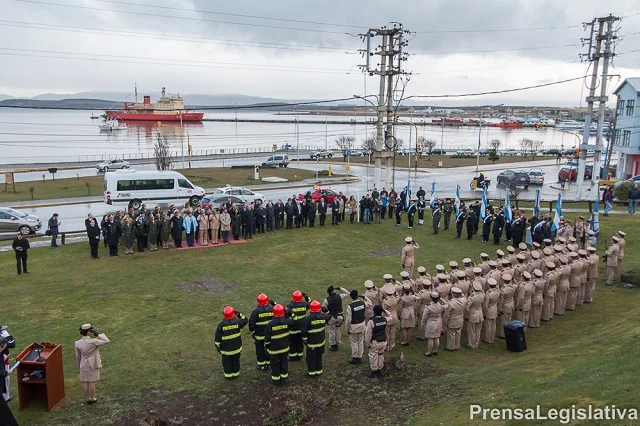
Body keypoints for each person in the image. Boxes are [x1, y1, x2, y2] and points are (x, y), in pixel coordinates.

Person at [75, 324, 110, 405]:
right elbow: (107, 340)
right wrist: (98, 334)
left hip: (83, 363)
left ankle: (87, 398)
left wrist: (80, 364)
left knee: (85, 382)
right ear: (89, 332)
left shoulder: (77, 343)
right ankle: (92, 398)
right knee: (91, 382)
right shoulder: (94, 341)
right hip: (93, 363)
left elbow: (78, 356)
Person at [264, 304, 295, 386]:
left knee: (274, 364)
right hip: (284, 347)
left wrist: (266, 346)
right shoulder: (287, 321)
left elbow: (267, 338)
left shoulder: (270, 324)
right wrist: (290, 313)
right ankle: (284, 378)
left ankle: (275, 380)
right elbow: (294, 320)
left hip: (273, 349)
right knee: (284, 362)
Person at [214, 306, 248, 380]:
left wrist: (217, 346)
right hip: (236, 348)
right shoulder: (237, 322)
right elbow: (245, 320)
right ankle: (236, 374)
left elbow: (217, 337)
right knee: (236, 361)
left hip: (226, 350)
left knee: (227, 363)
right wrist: (239, 314)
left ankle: (228, 376)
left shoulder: (221, 325)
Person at [301, 300, 332, 377]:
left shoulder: (307, 319)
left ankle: (311, 373)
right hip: (321, 342)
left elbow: (304, 332)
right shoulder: (323, 317)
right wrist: (326, 311)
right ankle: (319, 371)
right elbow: (329, 316)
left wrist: (305, 340)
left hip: (312, 343)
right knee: (319, 356)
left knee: (311, 358)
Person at [249, 293, 274, 371]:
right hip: (270, 335)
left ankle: (261, 365)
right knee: (269, 349)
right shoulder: (272, 309)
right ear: (267, 301)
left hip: (259, 336)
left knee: (260, 350)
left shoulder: (255, 312)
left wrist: (253, 332)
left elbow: (251, 324)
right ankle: (269, 363)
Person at [365, 305, 391, 378]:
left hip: (375, 342)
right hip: (383, 342)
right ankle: (380, 368)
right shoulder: (385, 319)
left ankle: (374, 371)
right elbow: (390, 315)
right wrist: (385, 311)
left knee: (373, 356)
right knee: (380, 355)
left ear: (373, 312)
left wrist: (367, 343)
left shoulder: (371, 322)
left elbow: (368, 334)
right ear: (381, 311)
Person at [345, 290, 370, 364]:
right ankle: (360, 356)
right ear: (357, 295)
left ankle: (355, 357)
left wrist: (347, 329)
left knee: (354, 342)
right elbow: (370, 303)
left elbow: (348, 320)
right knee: (360, 341)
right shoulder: (363, 303)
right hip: (362, 324)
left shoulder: (350, 306)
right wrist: (365, 297)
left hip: (354, 326)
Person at [322, 286, 350, 351]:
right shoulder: (339, 296)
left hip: (332, 318)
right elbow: (348, 293)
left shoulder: (327, 300)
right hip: (340, 317)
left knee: (332, 331)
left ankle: (333, 345)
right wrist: (341, 288)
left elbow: (323, 309)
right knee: (337, 329)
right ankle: (337, 342)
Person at [287, 290, 311, 361]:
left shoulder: (289, 306)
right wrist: (307, 297)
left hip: (292, 328)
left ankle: (292, 356)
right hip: (302, 328)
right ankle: (300, 355)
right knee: (300, 342)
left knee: (292, 343)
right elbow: (310, 303)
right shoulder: (304, 304)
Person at [421, 292, 444, 357]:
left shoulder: (428, 306)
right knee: (437, 337)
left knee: (430, 338)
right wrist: (441, 299)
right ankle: (435, 350)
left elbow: (424, 316)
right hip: (438, 322)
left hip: (431, 323)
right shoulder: (440, 305)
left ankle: (429, 352)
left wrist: (422, 323)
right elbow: (447, 304)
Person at [465, 281, 485, 349]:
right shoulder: (482, 295)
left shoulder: (471, 297)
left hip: (473, 315)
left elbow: (467, 307)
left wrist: (467, 315)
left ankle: (471, 345)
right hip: (480, 314)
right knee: (478, 331)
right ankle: (476, 343)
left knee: (472, 331)